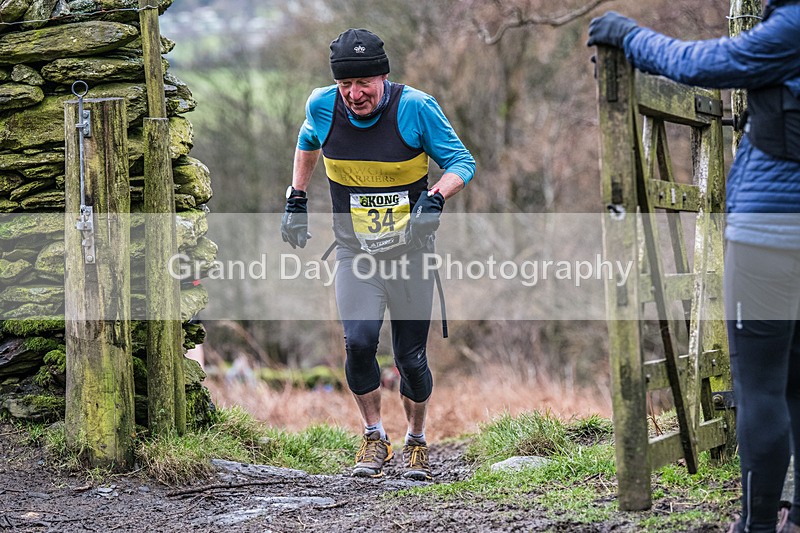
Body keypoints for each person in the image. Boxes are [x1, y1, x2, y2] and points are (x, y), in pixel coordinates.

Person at [588, 2, 800, 532]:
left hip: (771, 235)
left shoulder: (794, 24)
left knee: (761, 387)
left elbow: (701, 62)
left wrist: (627, 37)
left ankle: (754, 525)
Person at [281, 28, 475, 480]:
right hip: (355, 253)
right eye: (345, 85)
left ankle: (417, 441)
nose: (354, 94)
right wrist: (296, 197)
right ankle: (373, 437)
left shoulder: (415, 108)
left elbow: (463, 161)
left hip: (411, 254)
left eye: (363, 83)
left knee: (410, 358)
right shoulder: (323, 105)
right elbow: (307, 141)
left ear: (383, 76)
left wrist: (437, 196)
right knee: (360, 341)